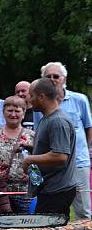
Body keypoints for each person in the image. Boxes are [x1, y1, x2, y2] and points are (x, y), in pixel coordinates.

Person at [38, 62, 92, 219]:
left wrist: (86, 151)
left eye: (57, 76)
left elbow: (89, 127)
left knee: (83, 210)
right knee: (54, 209)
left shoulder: (80, 99)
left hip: (79, 162)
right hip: (53, 165)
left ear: (64, 79)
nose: (53, 80)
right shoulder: (40, 105)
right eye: (49, 77)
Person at [23, 78, 77, 218]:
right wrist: (30, 148)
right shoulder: (47, 118)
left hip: (57, 190)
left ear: (42, 97)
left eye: (32, 95)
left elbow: (60, 156)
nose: (29, 99)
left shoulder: (57, 121)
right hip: (48, 188)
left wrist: (30, 159)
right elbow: (51, 148)